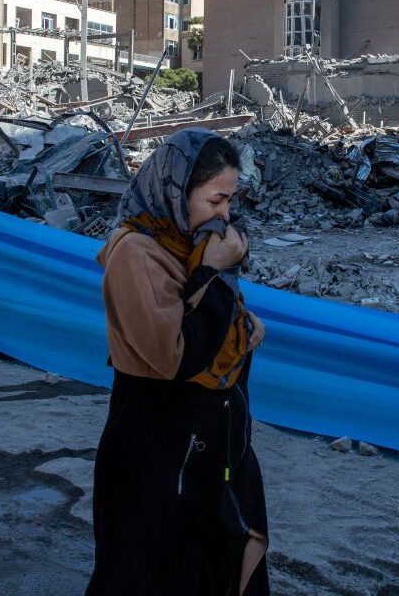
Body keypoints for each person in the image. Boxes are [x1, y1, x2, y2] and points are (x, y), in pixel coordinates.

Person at [86, 129, 269, 595]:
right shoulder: (137, 253)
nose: (225, 215)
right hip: (157, 457)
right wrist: (216, 271)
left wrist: (240, 322)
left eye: (229, 201)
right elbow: (175, 357)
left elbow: (228, 327)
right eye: (215, 201)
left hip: (212, 451)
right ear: (176, 191)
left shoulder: (186, 243)